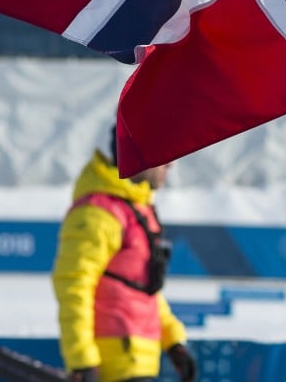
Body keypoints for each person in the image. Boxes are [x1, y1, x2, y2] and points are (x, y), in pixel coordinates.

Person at [52, 128, 196, 382]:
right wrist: (82, 360)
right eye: (164, 155)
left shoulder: (136, 208)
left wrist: (173, 341)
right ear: (139, 156)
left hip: (139, 362)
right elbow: (74, 286)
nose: (171, 164)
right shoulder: (98, 213)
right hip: (112, 366)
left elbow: (142, 289)